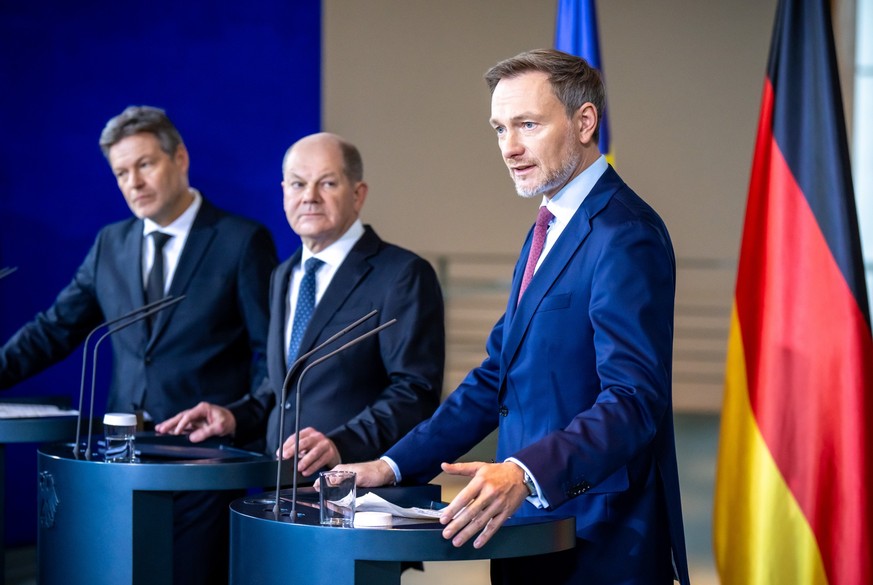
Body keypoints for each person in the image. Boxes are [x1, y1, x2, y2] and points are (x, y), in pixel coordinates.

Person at [331, 49, 691, 585]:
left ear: (584, 122)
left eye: (528, 124)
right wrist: (392, 466)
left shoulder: (625, 234)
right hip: (523, 528)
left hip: (598, 538)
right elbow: (496, 378)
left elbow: (634, 401)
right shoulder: (548, 223)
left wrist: (526, 472)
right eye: (500, 129)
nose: (510, 148)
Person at [0, 105, 278, 585]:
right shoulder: (112, 242)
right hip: (118, 462)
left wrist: (238, 416)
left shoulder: (240, 240)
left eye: (144, 164)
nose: (134, 182)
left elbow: (269, 355)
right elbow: (54, 328)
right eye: (121, 173)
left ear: (181, 158)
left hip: (202, 461)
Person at [157, 132, 445, 480]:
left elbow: (415, 391)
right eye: (297, 184)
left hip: (355, 491)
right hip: (279, 487)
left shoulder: (402, 274)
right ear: (283, 193)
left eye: (327, 183)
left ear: (357, 194)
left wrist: (342, 443)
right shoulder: (284, 274)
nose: (309, 197)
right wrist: (234, 417)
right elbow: (283, 386)